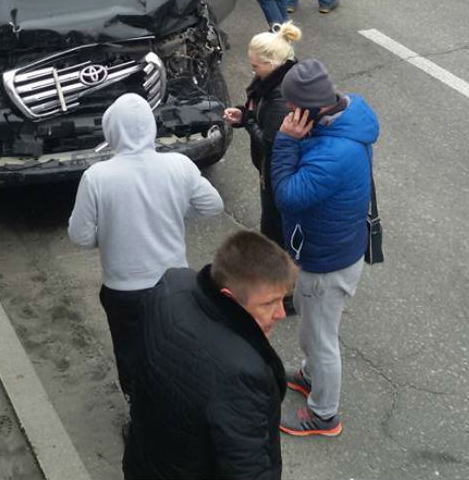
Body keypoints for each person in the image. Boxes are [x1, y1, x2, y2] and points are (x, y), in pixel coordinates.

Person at [68, 93, 223, 402]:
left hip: (123, 290)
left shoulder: (96, 178)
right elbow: (213, 205)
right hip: (175, 284)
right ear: (151, 127)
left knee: (132, 355)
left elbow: (80, 236)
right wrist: (176, 212)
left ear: (112, 131)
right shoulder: (179, 165)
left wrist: (111, 234)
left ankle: (140, 414)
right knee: (174, 348)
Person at [123, 230, 296, 480]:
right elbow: (248, 468)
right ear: (229, 297)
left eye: (283, 300)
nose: (280, 314)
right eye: (269, 303)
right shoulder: (242, 374)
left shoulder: (171, 286)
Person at [272, 59, 380, 437]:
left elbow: (286, 196)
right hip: (334, 247)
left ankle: (323, 415)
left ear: (311, 110)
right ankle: (310, 374)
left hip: (326, 260)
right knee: (313, 323)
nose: (286, 111)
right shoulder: (349, 113)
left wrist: (286, 142)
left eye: (291, 105)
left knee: (322, 338)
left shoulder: (332, 156)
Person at [224, 22, 301, 246]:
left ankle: (274, 266)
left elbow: (271, 143)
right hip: (270, 167)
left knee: (273, 225)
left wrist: (247, 120)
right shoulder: (270, 79)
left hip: (275, 171)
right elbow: (259, 114)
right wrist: (242, 114)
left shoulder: (280, 96)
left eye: (255, 67)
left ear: (273, 63)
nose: (253, 72)